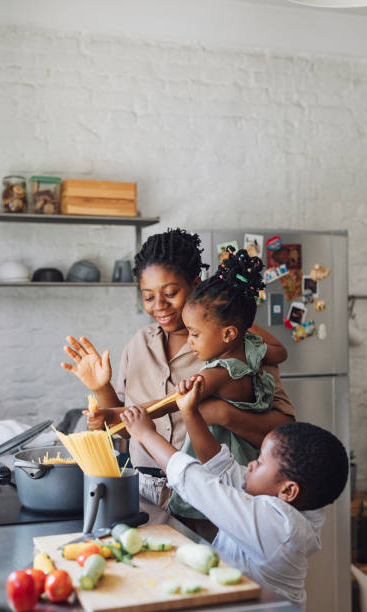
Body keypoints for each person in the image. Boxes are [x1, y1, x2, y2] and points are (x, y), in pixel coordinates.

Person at [61, 229, 295, 533]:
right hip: (143, 498)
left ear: (195, 285)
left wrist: (222, 414)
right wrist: (100, 387)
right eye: (148, 296)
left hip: (211, 500)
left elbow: (284, 431)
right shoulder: (139, 344)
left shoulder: (234, 345)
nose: (158, 305)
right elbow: (124, 427)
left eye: (171, 293)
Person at [120, 379, 349, 610]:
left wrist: (147, 435)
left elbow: (202, 487)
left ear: (288, 490)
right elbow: (222, 468)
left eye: (260, 462)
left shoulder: (281, 527)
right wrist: (189, 412)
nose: (250, 465)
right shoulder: (280, 502)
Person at [168, 246, 287, 520]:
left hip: (219, 481)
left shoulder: (221, 372)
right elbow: (281, 351)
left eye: (195, 334)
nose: (190, 341)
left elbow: (171, 402)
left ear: (228, 333)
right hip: (245, 475)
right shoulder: (250, 349)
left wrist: (129, 415)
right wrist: (240, 322)